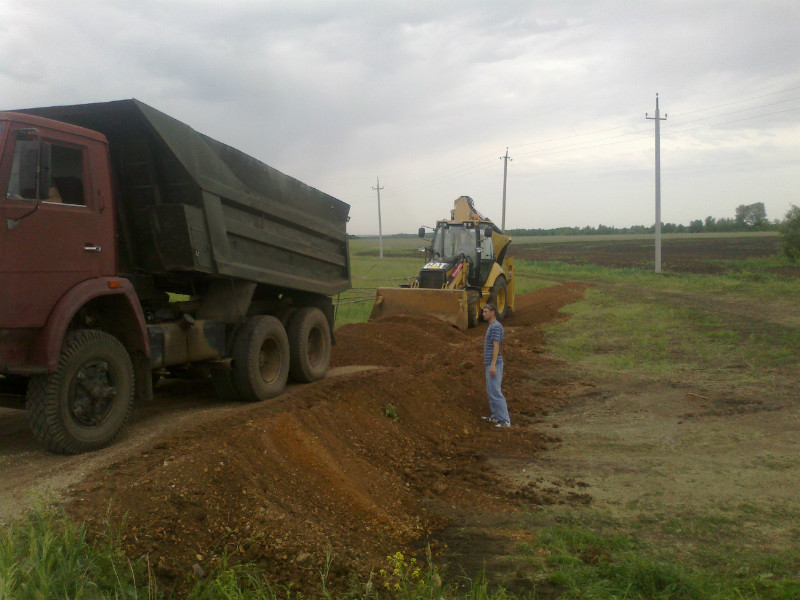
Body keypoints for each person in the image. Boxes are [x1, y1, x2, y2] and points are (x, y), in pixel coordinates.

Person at [481, 303, 510, 428]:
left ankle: (505, 420)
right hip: (489, 363)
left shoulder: (496, 327)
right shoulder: (491, 326)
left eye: (485, 311)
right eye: (483, 312)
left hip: (494, 363)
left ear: (492, 312)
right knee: (491, 391)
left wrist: (493, 365)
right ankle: (495, 417)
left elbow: (496, 345)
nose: (483, 314)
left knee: (496, 391)